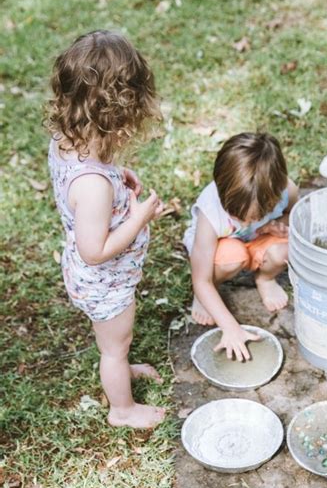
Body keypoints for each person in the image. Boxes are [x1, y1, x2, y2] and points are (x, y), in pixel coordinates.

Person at [47, 30, 165, 429]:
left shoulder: (68, 140)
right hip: (104, 281)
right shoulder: (93, 185)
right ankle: (123, 409)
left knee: (115, 344)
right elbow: (94, 250)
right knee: (115, 347)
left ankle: (121, 370)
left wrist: (117, 175)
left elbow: (90, 183)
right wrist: (139, 216)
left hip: (98, 277)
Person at [183, 132, 298, 362]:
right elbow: (200, 277)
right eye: (237, 215)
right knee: (232, 256)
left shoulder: (287, 191)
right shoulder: (211, 211)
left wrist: (277, 225)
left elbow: (292, 217)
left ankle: (265, 278)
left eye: (256, 215)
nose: (246, 221)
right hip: (219, 249)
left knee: (287, 248)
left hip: (256, 240)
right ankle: (206, 296)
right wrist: (231, 327)